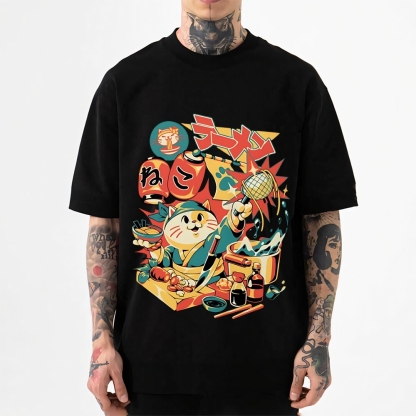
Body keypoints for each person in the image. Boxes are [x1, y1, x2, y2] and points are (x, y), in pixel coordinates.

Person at [69, 1, 358, 415]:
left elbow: (321, 221)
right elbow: (105, 226)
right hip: (148, 376)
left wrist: (319, 339)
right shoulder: (125, 85)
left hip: (268, 376)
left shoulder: (296, 83)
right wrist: (102, 344)